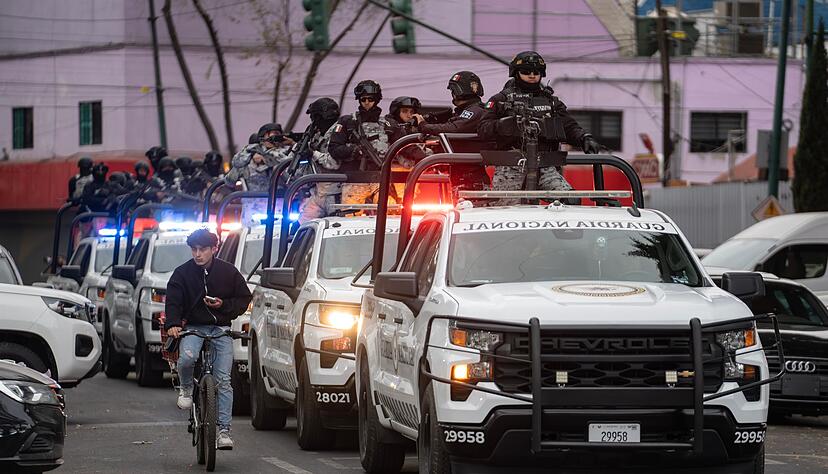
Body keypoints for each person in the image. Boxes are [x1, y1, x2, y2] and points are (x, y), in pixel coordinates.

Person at [164, 229, 252, 450]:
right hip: (194, 328)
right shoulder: (181, 274)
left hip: (221, 329)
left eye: (202, 249)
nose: (197, 254)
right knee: (186, 359)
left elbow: (244, 298)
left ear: (214, 249)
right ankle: (185, 388)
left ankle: (223, 432)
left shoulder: (229, 272)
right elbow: (173, 300)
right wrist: (173, 323)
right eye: (194, 249)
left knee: (223, 380)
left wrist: (224, 306)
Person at [478, 51, 600, 204]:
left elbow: (568, 125)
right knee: (504, 211)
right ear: (516, 73)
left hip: (545, 165)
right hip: (510, 166)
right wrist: (504, 125)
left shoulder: (551, 102)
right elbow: (483, 128)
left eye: (536, 72)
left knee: (571, 201)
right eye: (526, 72)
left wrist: (583, 137)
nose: (531, 75)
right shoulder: (501, 100)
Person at [414, 71, 492, 193]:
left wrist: (423, 126)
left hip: (471, 178)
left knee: (470, 210)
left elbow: (454, 128)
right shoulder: (466, 111)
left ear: (457, 92)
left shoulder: (475, 111)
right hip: (462, 175)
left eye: (453, 91)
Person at [328, 80, 391, 206]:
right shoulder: (347, 122)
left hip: (381, 180)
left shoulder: (388, 124)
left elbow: (403, 148)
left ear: (377, 100)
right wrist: (354, 151)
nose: (367, 102)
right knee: (351, 218)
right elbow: (334, 148)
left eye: (370, 99)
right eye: (363, 99)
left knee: (390, 216)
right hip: (355, 180)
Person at [298, 97, 342, 221]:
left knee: (335, 228)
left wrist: (313, 153)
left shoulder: (339, 133)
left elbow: (334, 162)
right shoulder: (316, 135)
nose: (312, 121)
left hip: (337, 193)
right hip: (318, 192)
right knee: (302, 226)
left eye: (314, 116)